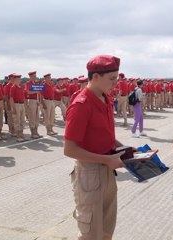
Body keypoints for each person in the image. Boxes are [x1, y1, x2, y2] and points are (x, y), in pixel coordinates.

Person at [64, 55, 130, 240]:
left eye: (116, 78)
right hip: (90, 173)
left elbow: (106, 135)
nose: (116, 83)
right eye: (112, 78)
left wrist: (124, 149)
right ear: (95, 77)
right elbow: (69, 149)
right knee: (91, 233)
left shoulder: (105, 99)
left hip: (108, 169)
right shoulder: (81, 105)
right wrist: (107, 159)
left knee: (107, 229)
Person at [10, 74, 27, 142]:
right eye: (18, 79)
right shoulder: (13, 87)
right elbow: (11, 98)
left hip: (22, 104)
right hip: (16, 104)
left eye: (20, 79)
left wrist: (25, 106)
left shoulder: (21, 87)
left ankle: (22, 134)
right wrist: (13, 108)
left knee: (22, 120)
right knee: (17, 120)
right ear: (14, 80)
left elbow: (24, 97)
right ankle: (18, 136)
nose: (19, 80)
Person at [25, 71, 41, 139]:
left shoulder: (37, 83)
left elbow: (40, 92)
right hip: (31, 101)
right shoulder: (28, 83)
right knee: (32, 117)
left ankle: (36, 131)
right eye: (34, 76)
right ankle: (33, 132)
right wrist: (35, 91)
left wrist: (39, 100)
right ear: (30, 76)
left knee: (37, 117)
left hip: (37, 101)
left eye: (35, 76)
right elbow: (28, 91)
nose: (35, 77)